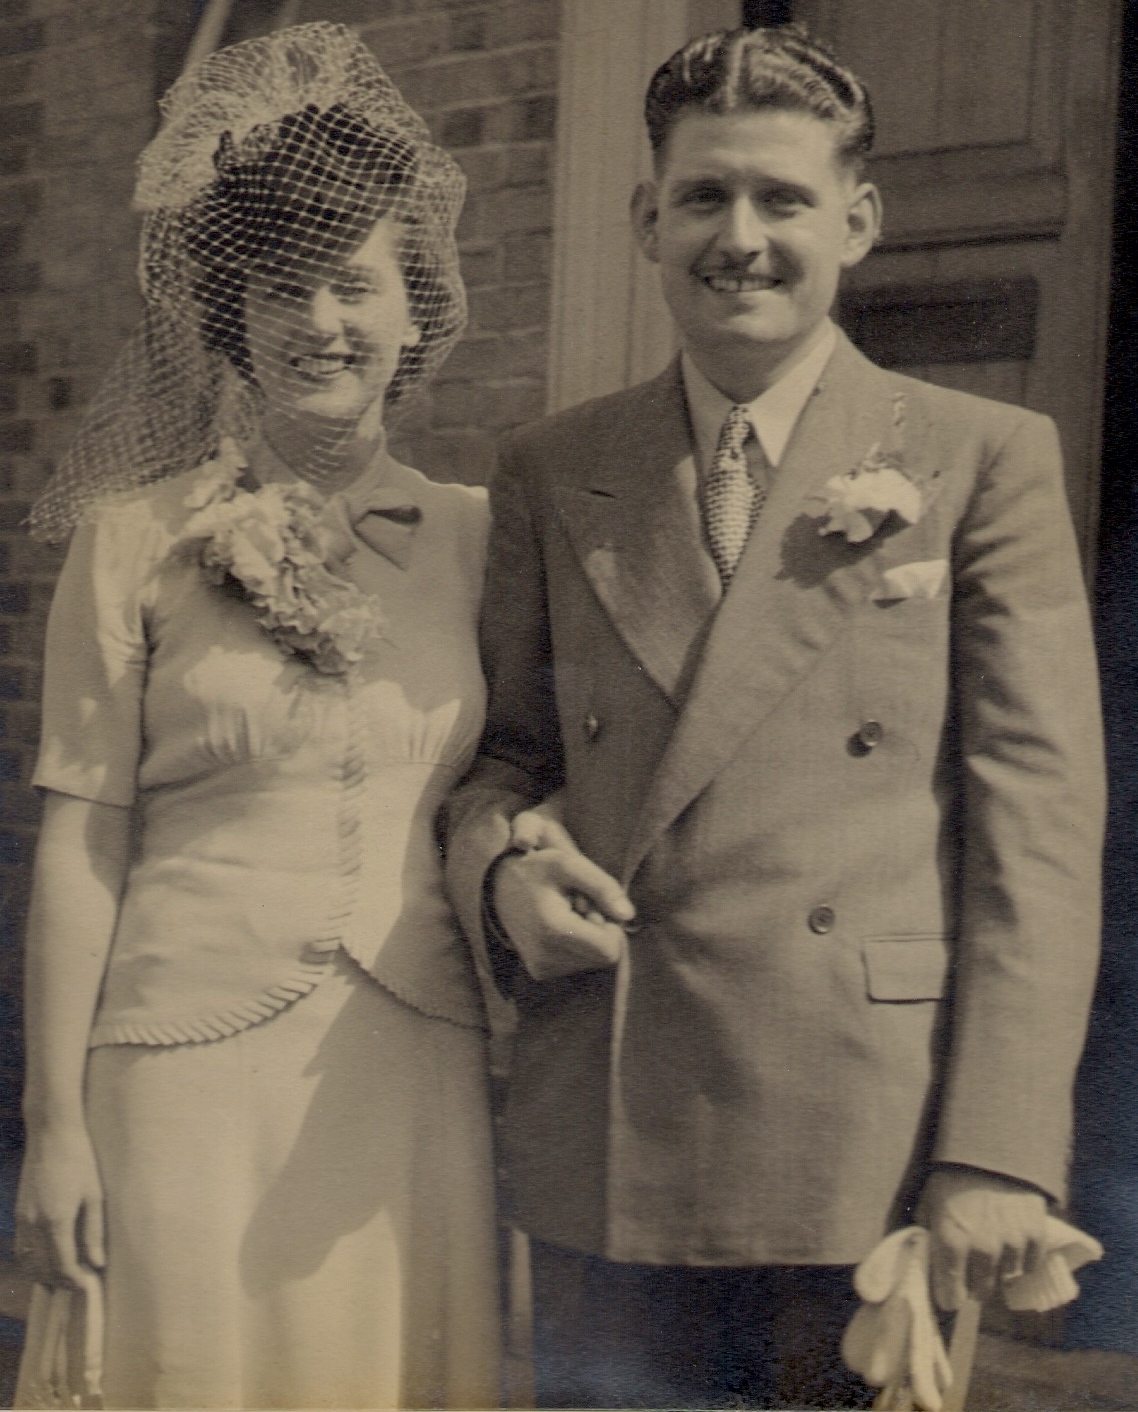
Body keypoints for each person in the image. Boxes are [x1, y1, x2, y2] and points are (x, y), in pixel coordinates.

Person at [445, 23, 1105, 1410]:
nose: (739, 239)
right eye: (704, 196)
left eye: (781, 199)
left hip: (862, 1133)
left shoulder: (980, 458)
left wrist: (995, 1146)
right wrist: (502, 876)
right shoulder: (555, 469)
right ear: (647, 220)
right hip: (611, 1118)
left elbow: (1037, 834)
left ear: (855, 222)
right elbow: (508, 756)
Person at [15, 22, 500, 1410]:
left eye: (354, 284)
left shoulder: (483, 541)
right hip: (180, 1069)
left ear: (413, 308)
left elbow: (512, 786)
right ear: (233, 313)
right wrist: (53, 1128)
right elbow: (82, 846)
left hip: (409, 1063)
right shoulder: (131, 541)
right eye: (283, 288)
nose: (321, 323)